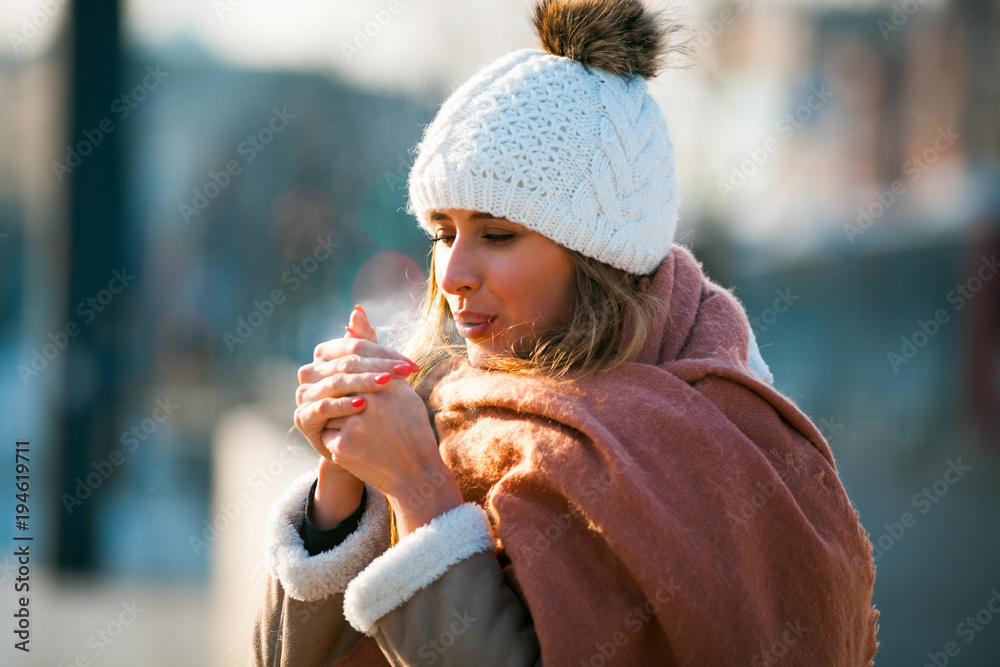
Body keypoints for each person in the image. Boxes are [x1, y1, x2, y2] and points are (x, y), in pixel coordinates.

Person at [253, 1, 879, 664]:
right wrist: (342, 488)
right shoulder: (442, 405)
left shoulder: (713, 439)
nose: (454, 272)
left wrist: (419, 489)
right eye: (442, 232)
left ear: (595, 259)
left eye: (497, 234)